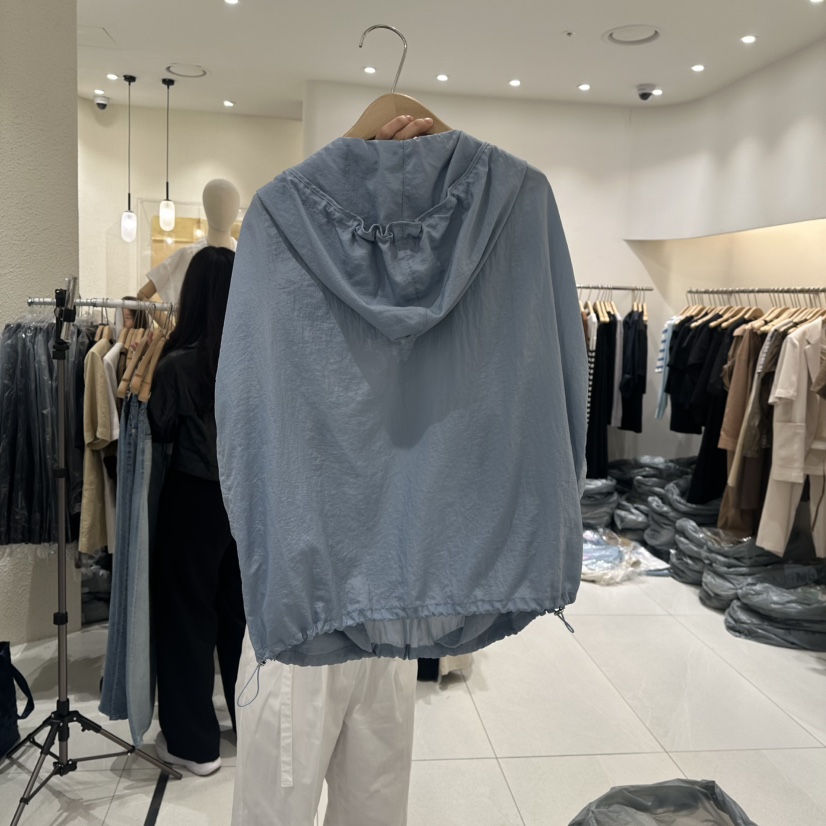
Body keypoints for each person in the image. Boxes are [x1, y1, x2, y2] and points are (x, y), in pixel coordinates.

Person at [231, 115, 435, 825]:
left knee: (374, 807)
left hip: (391, 605)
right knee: (277, 808)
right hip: (303, 598)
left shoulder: (434, 294)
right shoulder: (283, 250)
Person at [147, 245, 245, 776]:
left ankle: (193, 744)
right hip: (245, 502)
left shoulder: (177, 366)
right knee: (240, 618)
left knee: (186, 616)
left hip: (193, 495)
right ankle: (252, 726)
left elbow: (160, 430)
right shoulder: (257, 361)